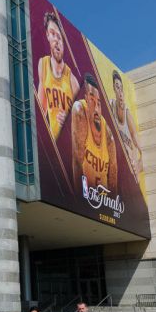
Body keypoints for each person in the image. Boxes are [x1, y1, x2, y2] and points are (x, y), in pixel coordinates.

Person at [72, 73, 118, 192]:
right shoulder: (80, 111)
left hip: (104, 201)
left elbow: (113, 175)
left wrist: (112, 209)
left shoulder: (108, 134)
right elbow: (77, 162)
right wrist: (82, 202)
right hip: (87, 199)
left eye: (99, 103)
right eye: (92, 101)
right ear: (86, 99)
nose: (97, 109)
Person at [37, 11, 80, 140]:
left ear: (63, 42)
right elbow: (40, 111)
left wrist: (68, 122)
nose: (56, 39)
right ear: (47, 37)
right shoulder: (43, 64)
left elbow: (84, 125)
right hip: (54, 145)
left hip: (69, 147)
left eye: (59, 36)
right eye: (52, 34)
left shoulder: (72, 80)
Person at [109, 70, 143, 178]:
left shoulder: (127, 113)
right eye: (117, 87)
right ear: (114, 89)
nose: (119, 91)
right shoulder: (110, 105)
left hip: (131, 171)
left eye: (121, 87)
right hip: (118, 166)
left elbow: (135, 138)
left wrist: (138, 166)